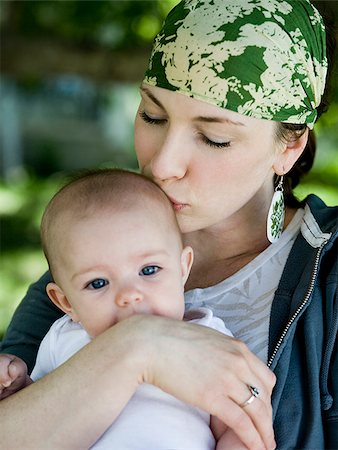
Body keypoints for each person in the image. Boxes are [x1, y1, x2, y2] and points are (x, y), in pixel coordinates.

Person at [0, 0, 336, 449]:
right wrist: (138, 347)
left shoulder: (329, 277)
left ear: (289, 147)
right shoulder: (91, 254)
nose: (162, 164)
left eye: (213, 137)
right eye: (152, 116)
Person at [1, 168, 244, 449]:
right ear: (66, 302)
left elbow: (238, 425)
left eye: (149, 270)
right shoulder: (63, 339)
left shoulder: (207, 337)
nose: (129, 295)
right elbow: (42, 415)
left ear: (182, 268)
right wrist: (17, 387)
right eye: (98, 283)